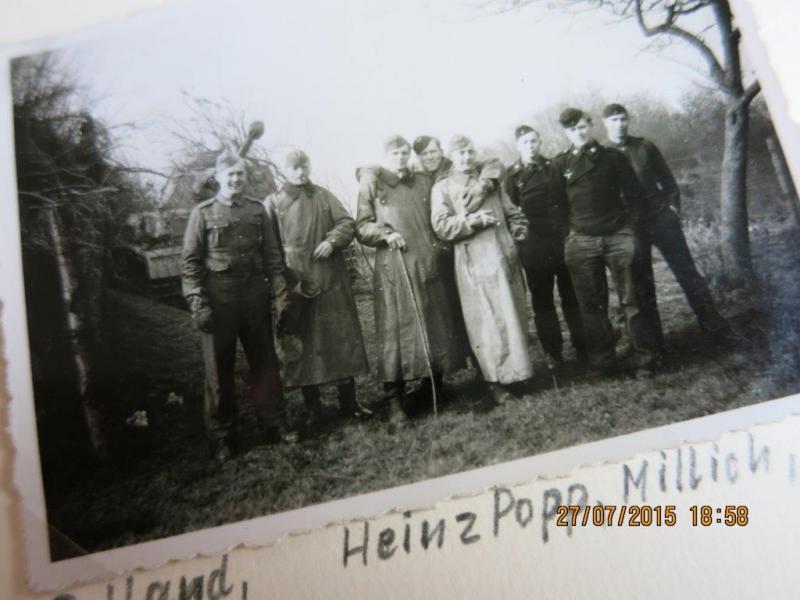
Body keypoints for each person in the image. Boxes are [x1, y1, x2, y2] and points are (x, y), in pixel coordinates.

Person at [182, 150, 295, 463]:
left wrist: (280, 292)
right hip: (219, 299)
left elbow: (273, 258)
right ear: (218, 177)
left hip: (253, 296)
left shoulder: (258, 211)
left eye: (240, 174)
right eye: (229, 175)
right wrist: (197, 302)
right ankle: (223, 436)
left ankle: (274, 423)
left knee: (265, 362)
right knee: (219, 369)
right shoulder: (202, 214)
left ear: (246, 178)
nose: (235, 180)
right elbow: (190, 264)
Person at [355, 135, 466, 429]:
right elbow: (362, 226)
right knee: (395, 332)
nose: (401, 157)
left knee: (433, 323)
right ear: (385, 155)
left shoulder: (422, 181)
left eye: (405, 152)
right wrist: (385, 234)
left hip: (427, 263)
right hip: (395, 267)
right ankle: (395, 401)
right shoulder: (373, 182)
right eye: (395, 153)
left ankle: (435, 387)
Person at [602, 103, 731, 347]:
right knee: (642, 283)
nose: (619, 125)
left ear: (627, 121)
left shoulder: (644, 146)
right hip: (632, 225)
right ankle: (655, 344)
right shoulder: (604, 154)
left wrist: (672, 209)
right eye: (614, 120)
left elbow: (668, 182)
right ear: (605, 124)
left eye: (622, 119)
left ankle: (714, 327)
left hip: (660, 217)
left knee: (687, 271)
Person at [265, 150, 372, 428]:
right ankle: (314, 408)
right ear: (285, 169)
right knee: (303, 343)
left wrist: (333, 240)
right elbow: (270, 247)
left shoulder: (323, 195)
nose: (301, 172)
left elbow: (347, 222)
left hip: (329, 278)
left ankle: (349, 402)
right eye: (295, 168)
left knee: (340, 338)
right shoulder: (274, 202)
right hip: (296, 282)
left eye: (305, 167)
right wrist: (284, 281)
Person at [550, 108, 657, 376]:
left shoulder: (612, 157)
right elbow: (556, 206)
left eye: (583, 126)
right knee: (591, 305)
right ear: (566, 133)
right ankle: (603, 363)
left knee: (631, 300)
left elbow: (635, 197)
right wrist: (569, 234)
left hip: (617, 236)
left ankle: (643, 360)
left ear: (591, 126)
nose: (579, 132)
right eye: (573, 129)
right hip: (581, 242)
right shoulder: (560, 164)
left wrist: (629, 229)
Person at [431, 135, 533, 405]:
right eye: (460, 153)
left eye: (469, 151)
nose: (466, 157)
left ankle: (518, 375)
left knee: (513, 317)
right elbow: (441, 226)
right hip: (474, 264)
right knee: (485, 324)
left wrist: (519, 228)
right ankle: (494, 383)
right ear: (451, 157)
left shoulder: (489, 181)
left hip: (503, 257)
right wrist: (472, 220)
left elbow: (512, 211)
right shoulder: (443, 187)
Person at [505, 125, 587, 369]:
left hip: (560, 241)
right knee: (542, 303)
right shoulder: (512, 176)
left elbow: (566, 201)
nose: (530, 146)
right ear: (518, 146)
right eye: (525, 143)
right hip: (533, 247)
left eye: (534, 141)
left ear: (539, 142)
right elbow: (510, 212)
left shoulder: (554, 167)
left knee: (571, 297)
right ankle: (554, 353)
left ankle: (582, 347)